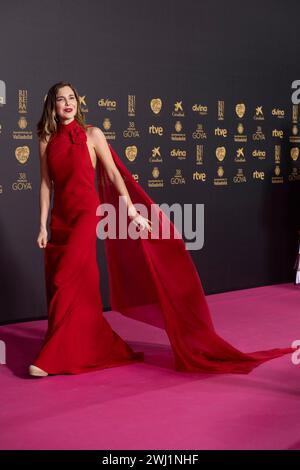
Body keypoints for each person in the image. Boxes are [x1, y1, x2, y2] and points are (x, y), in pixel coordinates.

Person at [29, 81, 296, 377]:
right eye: (60, 99)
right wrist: (42, 225)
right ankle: (86, 344)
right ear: (52, 105)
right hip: (60, 219)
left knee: (68, 275)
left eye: (72, 98)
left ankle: (54, 357)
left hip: (84, 215)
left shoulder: (92, 135)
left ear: (78, 102)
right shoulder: (45, 139)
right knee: (64, 283)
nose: (68, 103)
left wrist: (132, 212)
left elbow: (115, 174)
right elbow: (44, 184)